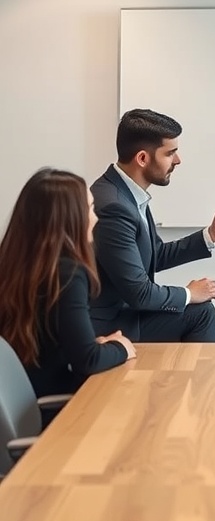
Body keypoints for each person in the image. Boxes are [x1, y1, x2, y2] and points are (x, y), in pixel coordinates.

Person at [90, 108, 215, 342]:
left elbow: (155, 255)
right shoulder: (114, 207)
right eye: (170, 153)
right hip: (111, 325)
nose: (178, 160)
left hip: (125, 313)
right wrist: (189, 294)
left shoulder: (126, 193)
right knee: (200, 312)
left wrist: (211, 235)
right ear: (142, 158)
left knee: (200, 311)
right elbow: (140, 294)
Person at [0, 169, 135, 397]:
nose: (96, 217)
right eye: (91, 208)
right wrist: (121, 347)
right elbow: (88, 360)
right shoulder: (68, 273)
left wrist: (96, 345)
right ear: (72, 217)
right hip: (57, 408)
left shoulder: (16, 262)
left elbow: (51, 340)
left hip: (27, 397)